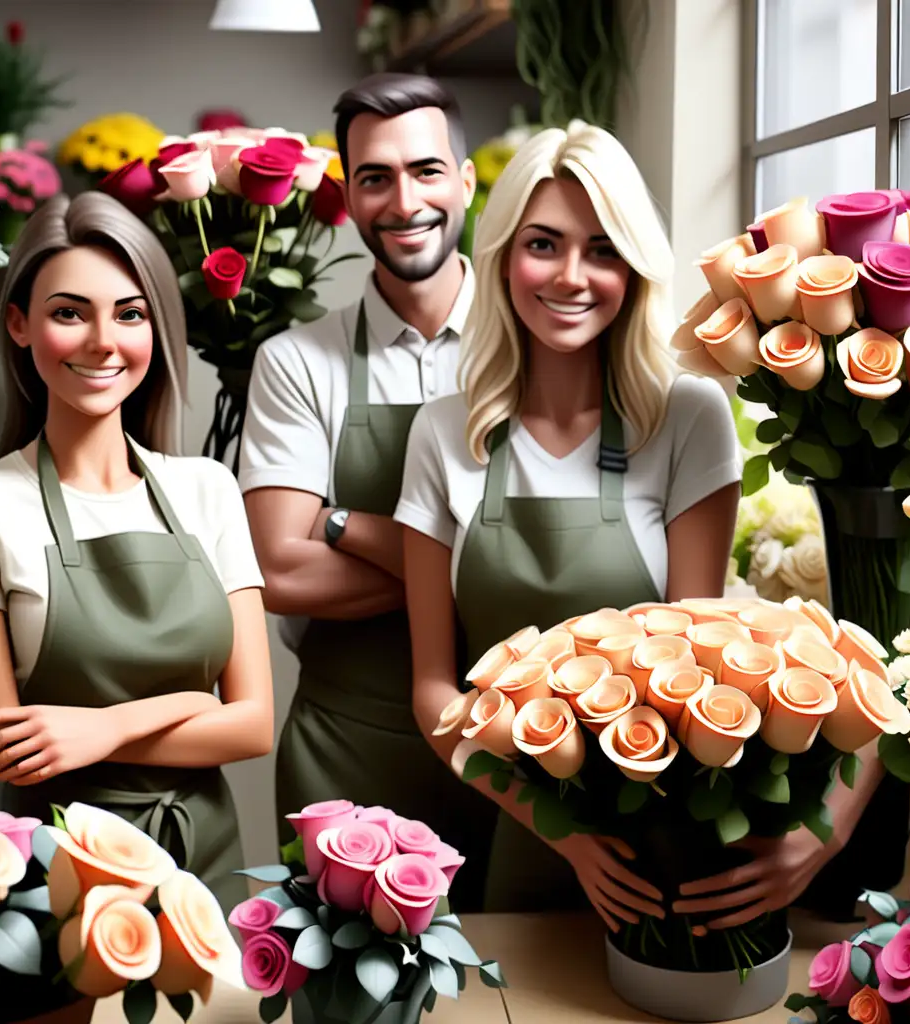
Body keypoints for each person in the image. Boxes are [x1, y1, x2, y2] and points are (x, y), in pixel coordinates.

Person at [395, 120, 742, 916]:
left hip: (663, 821)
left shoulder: (688, 417)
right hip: (509, 819)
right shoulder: (444, 434)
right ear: (503, 256)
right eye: (544, 245)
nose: (571, 277)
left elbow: (697, 662)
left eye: (602, 249)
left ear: (633, 267)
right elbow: (434, 690)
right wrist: (560, 831)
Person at [0, 192, 275, 924]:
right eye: (69, 312)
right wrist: (189, 706)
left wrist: (104, 727)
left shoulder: (206, 489)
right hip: (53, 864)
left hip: (204, 858)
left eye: (130, 313)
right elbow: (3, 751)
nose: (103, 341)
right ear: (19, 324)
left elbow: (253, 727)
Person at [240, 72, 497, 910]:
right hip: (348, 752)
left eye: (426, 170)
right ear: (348, 197)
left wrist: (342, 523)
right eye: (375, 178)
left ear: (465, 182)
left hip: (521, 744)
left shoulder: (536, 343)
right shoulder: (297, 362)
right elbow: (280, 570)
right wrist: (476, 568)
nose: (404, 199)